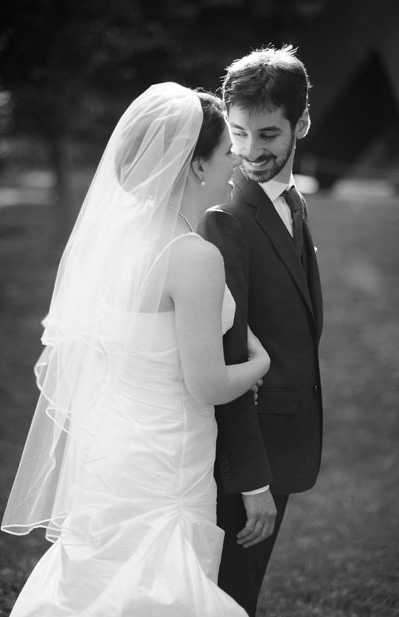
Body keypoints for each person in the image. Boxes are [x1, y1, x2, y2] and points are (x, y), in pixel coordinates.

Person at [1, 83, 270, 616]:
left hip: (111, 449)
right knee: (161, 586)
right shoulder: (192, 255)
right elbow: (208, 384)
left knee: (102, 581)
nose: (235, 165)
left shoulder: (120, 240)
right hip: (166, 457)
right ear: (194, 165)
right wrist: (260, 363)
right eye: (223, 154)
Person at [198, 45, 323, 617]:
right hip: (249, 459)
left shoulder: (291, 203)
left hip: (283, 441)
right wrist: (251, 483)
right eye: (239, 133)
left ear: (301, 124)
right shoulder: (229, 220)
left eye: (268, 135)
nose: (250, 151)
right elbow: (226, 354)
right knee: (229, 597)